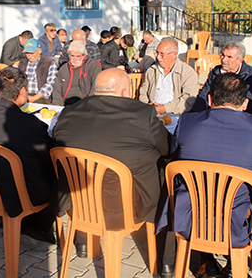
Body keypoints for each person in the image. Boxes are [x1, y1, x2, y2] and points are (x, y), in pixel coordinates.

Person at [159, 73, 252, 277]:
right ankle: (234, 263)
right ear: (245, 103)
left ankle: (206, 261)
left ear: (210, 100)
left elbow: (174, 152)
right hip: (237, 213)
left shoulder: (187, 122)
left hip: (192, 208)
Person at [53, 68, 169, 256]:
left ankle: (83, 241)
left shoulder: (69, 112)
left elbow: (56, 141)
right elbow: (165, 148)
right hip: (123, 208)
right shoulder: (143, 113)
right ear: (125, 92)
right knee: (165, 173)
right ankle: (166, 258)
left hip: (77, 204)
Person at [0, 67, 57, 243]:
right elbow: (47, 161)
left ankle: (0, 218)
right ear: (22, 91)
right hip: (22, 197)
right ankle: (37, 227)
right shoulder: (30, 124)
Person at [191, 41, 252, 115]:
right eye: (223, 55)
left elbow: (250, 102)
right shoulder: (216, 71)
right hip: (215, 114)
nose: (223, 60)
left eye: (229, 57)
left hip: (242, 117)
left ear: (239, 60)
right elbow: (204, 94)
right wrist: (195, 115)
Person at [139, 37, 198, 115]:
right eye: (157, 53)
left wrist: (164, 108)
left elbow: (188, 100)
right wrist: (147, 106)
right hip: (151, 113)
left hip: (176, 114)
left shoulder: (188, 73)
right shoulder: (152, 70)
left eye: (162, 54)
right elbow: (143, 92)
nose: (158, 57)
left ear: (174, 54)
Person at [52, 40, 102, 106]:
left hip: (84, 101)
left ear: (84, 56)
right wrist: (57, 104)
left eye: (78, 56)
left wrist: (89, 103)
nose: (75, 59)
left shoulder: (92, 66)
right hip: (66, 102)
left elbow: (96, 87)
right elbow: (57, 89)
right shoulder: (64, 68)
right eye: (72, 56)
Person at [16, 38, 57, 104]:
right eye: (27, 53)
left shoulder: (49, 63)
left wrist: (34, 98)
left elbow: (50, 83)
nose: (29, 55)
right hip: (24, 96)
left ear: (39, 51)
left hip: (41, 97)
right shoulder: (22, 63)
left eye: (32, 53)